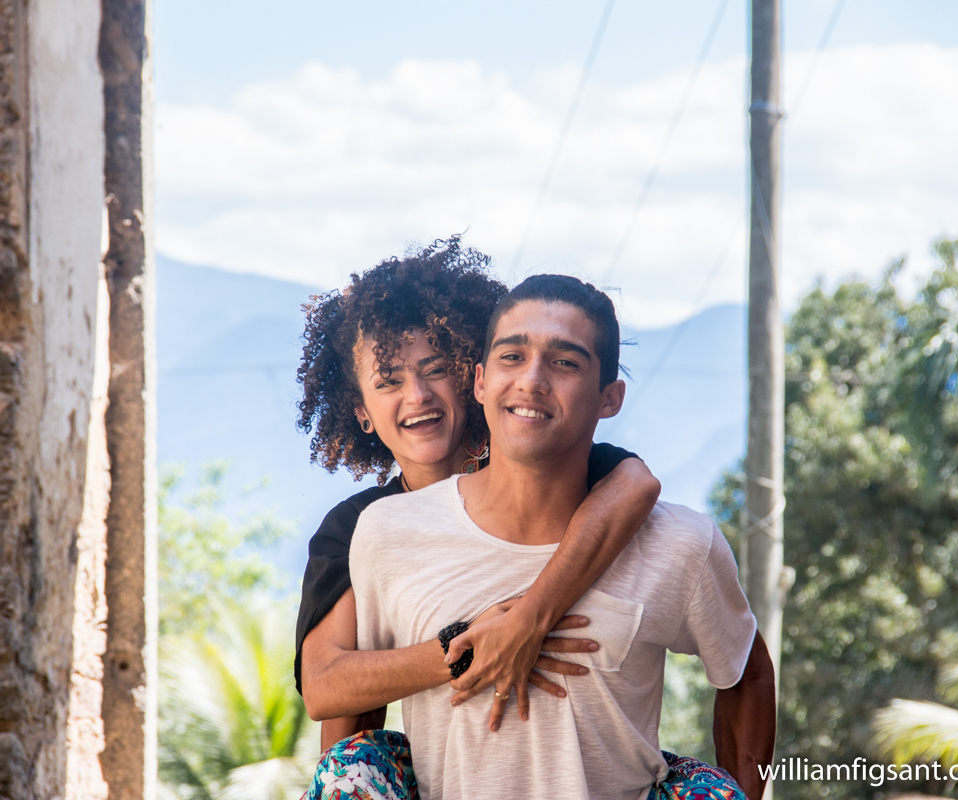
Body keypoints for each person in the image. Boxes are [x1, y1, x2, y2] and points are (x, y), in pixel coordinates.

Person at [346, 275, 777, 800]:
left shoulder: (681, 543)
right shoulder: (388, 534)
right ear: (480, 382)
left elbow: (748, 675)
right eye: (511, 357)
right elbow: (358, 723)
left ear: (609, 398)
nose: (532, 380)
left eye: (565, 362)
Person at [294, 239, 663, 757]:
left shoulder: (536, 464)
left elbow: (636, 485)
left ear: (472, 374)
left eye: (435, 368)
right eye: (389, 381)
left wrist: (529, 618)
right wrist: (467, 646)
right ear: (361, 411)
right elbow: (330, 689)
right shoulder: (362, 526)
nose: (417, 396)